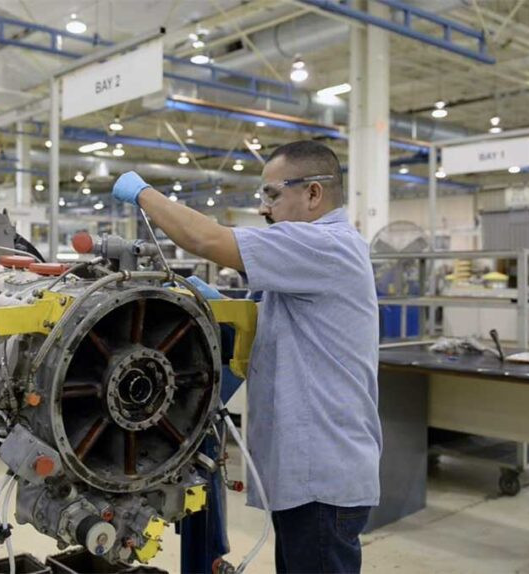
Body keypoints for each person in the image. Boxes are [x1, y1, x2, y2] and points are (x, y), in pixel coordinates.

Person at [112, 140, 381, 574]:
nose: (263, 208)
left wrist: (142, 192)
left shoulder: (326, 244)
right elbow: (273, 327)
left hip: (323, 480)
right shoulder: (313, 256)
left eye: (272, 194)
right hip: (309, 477)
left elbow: (204, 238)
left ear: (314, 193)